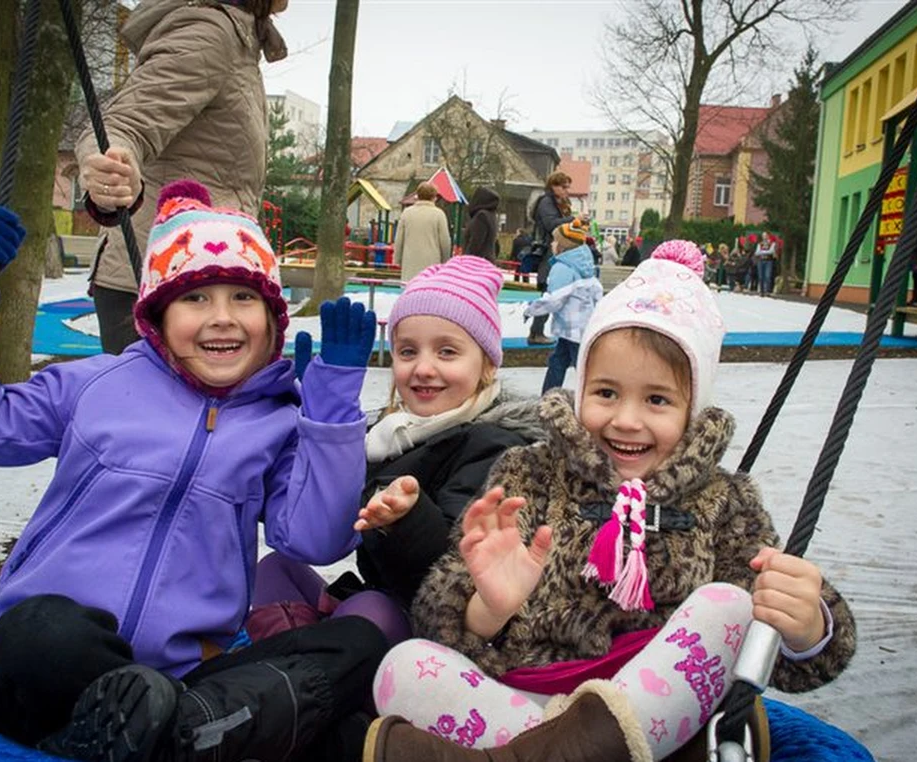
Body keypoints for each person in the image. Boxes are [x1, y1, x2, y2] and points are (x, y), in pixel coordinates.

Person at [0, 180, 387, 762]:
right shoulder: (97, 384)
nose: (222, 320)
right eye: (196, 299)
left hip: (186, 676)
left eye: (243, 298)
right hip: (55, 660)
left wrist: (330, 409)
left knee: (358, 643)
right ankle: (171, 735)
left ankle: (167, 728)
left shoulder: (277, 419)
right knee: (37, 632)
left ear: (272, 318)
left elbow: (315, 538)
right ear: (157, 315)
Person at [364, 240, 856, 762]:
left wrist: (808, 628)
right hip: (526, 692)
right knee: (403, 666)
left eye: (657, 400)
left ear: (693, 409)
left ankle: (526, 754)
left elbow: (777, 652)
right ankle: (572, 748)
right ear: (580, 393)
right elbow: (439, 604)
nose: (625, 419)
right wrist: (489, 608)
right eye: (606, 393)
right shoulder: (529, 473)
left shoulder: (723, 500)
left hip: (657, 703)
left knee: (730, 606)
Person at [250, 256, 543, 644]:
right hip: (381, 602)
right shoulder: (390, 434)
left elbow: (463, 571)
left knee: (368, 609)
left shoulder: (497, 444)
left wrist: (407, 517)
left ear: (487, 364)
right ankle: (301, 665)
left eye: (447, 352)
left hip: (443, 630)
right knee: (276, 569)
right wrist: (321, 418)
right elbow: (328, 529)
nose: (423, 367)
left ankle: (301, 671)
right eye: (408, 352)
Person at [76, 0, 289, 355]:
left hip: (199, 280)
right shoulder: (208, 33)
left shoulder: (240, 39)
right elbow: (121, 124)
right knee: (156, 410)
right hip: (163, 285)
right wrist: (113, 166)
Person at [526, 221, 603, 394]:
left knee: (578, 365)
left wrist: (531, 309)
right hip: (580, 327)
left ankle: (591, 396)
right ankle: (549, 395)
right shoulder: (586, 266)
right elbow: (597, 292)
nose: (552, 244)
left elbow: (555, 299)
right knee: (559, 362)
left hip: (570, 327)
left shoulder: (562, 268)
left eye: (554, 241)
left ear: (562, 246)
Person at [526, 171, 581, 345]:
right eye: (563, 187)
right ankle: (536, 333)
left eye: (567, 187)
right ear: (553, 186)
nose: (566, 190)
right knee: (549, 292)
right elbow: (551, 225)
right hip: (548, 253)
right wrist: (573, 220)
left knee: (553, 292)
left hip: (555, 252)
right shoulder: (546, 202)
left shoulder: (557, 203)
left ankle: (538, 331)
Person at [394, 182, 453, 279]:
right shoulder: (439, 214)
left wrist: (398, 259)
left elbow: (399, 238)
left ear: (417, 196)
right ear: (434, 197)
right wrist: (445, 261)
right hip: (432, 262)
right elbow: (445, 241)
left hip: (410, 260)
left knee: (409, 286)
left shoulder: (407, 213)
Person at [462, 186, 501, 262]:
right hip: (486, 261)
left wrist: (466, 260)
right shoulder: (491, 216)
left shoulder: (481, 216)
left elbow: (476, 242)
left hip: (476, 263)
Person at [755, 231, 778, 296]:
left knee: (767, 276)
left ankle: (767, 291)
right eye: (763, 235)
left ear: (768, 236)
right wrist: (765, 252)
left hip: (768, 261)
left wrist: (762, 251)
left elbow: (771, 251)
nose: (764, 237)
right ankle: (761, 291)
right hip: (760, 261)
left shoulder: (772, 243)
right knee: (760, 276)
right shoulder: (760, 244)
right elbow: (757, 252)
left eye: (765, 235)